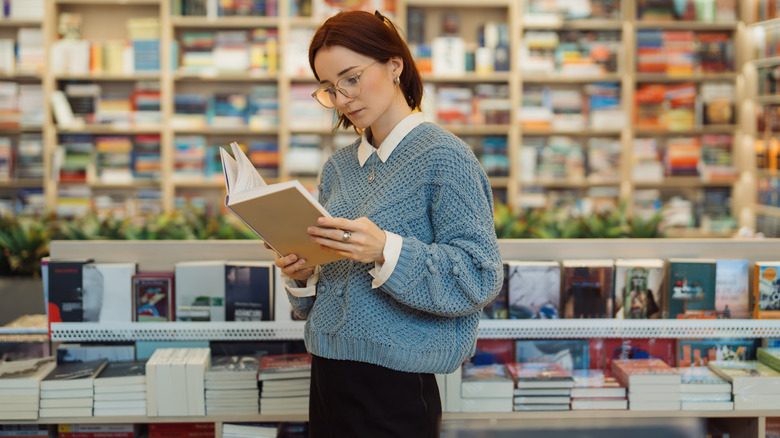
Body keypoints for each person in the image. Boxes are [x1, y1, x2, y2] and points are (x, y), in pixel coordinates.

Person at [268, 9, 503, 437]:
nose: (342, 99)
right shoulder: (338, 167)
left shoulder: (444, 157)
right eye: (329, 89)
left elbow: (480, 274)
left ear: (394, 65)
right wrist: (303, 274)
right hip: (326, 377)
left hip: (397, 387)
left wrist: (385, 250)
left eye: (352, 78)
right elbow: (316, 302)